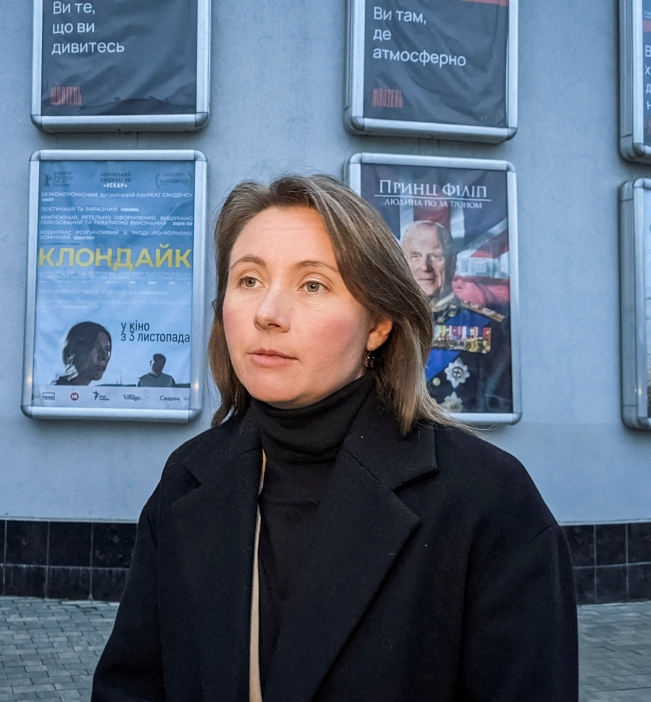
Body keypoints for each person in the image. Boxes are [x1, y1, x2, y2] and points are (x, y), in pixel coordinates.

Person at [92, 175, 577, 702]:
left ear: (378, 324)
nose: (267, 313)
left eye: (313, 285)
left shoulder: (488, 500)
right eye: (249, 279)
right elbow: (131, 685)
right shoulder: (187, 479)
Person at [400, 220, 512, 414]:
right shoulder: (386, 325)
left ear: (453, 264)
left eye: (436, 256)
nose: (425, 267)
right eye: (415, 256)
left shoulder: (488, 326)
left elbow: (498, 403)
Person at [53, 321, 111, 386]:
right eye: (94, 346)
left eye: (107, 349)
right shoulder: (58, 390)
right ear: (72, 352)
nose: (104, 357)